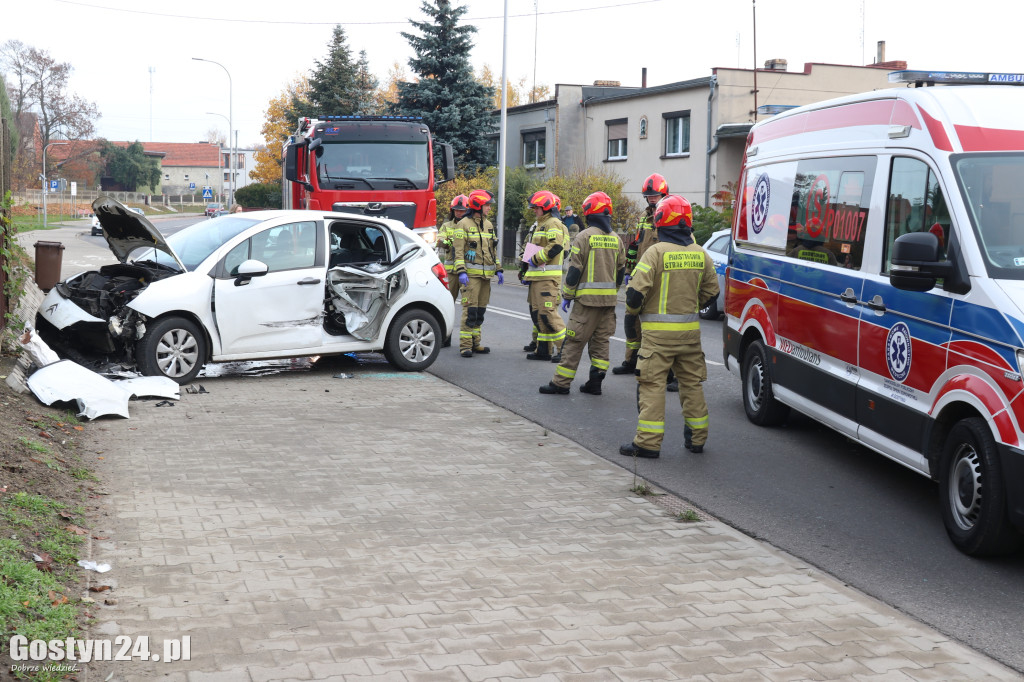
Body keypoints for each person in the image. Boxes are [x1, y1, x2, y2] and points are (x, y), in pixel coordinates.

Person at [619, 194, 719, 458]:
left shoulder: (655, 252)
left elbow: (634, 296)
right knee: (692, 385)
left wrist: (635, 313)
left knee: (652, 386)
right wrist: (689, 306)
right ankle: (697, 440)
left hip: (657, 338)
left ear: (662, 222)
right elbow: (712, 293)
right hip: (690, 336)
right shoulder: (701, 254)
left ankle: (647, 444)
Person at [539, 191, 625, 396]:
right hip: (608, 303)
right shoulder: (616, 239)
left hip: (586, 304)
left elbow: (575, 270)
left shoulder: (583, 236)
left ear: (589, 212)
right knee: (601, 343)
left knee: (574, 342)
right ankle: (595, 383)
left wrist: (567, 295)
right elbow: (621, 271)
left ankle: (561, 384)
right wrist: (613, 292)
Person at [612, 173, 679, 391]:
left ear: (664, 194)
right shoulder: (645, 216)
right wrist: (630, 266)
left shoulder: (673, 214)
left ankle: (672, 373)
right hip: (642, 275)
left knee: (662, 328)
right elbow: (639, 242)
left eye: (655, 195)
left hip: (662, 278)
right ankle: (632, 360)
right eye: (648, 195)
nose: (651, 199)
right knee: (632, 320)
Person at [453, 189, 503, 357]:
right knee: (470, 311)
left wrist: (499, 268)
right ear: (477, 205)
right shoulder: (463, 224)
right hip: (470, 277)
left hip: (486, 277)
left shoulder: (488, 224)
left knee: (480, 311)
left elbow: (492, 251)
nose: (489, 208)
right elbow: (458, 252)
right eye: (487, 205)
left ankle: (476, 343)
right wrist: (461, 271)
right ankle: (465, 346)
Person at [521, 190, 568, 361]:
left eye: (536, 207)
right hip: (537, 277)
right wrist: (525, 268)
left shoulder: (553, 223)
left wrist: (535, 259)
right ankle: (543, 350)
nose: (534, 210)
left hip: (547, 278)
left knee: (548, 313)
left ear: (545, 207)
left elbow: (555, 247)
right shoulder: (541, 224)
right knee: (539, 315)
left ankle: (565, 349)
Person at [437, 195, 470, 303]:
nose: (458, 213)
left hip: (466, 271)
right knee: (447, 302)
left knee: (468, 302)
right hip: (451, 272)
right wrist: (452, 242)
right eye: (456, 210)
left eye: (462, 210)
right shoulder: (447, 226)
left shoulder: (471, 226)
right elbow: (440, 241)